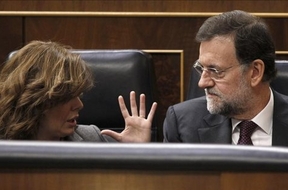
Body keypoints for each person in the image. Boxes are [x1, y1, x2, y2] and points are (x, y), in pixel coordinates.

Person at [163, 10, 288, 146]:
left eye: (215, 71)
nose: (202, 82)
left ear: (255, 72)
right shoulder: (182, 124)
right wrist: (139, 152)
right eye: (201, 68)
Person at [0, 40, 157, 142]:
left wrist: (135, 153)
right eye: (67, 96)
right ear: (36, 100)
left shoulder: (92, 139)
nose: (79, 105)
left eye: (79, 94)